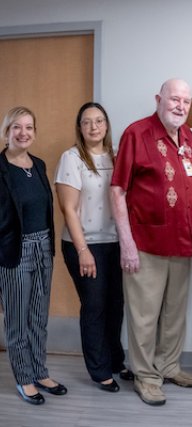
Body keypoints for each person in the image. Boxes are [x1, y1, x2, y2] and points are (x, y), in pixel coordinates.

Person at [110, 79, 192, 406]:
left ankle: (168, 366)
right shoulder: (136, 134)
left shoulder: (190, 139)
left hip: (182, 241)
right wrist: (126, 243)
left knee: (174, 313)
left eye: (185, 101)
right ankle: (146, 376)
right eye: (174, 99)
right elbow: (117, 190)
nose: (180, 106)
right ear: (159, 99)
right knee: (144, 315)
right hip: (145, 242)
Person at [55, 102, 133, 393]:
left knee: (116, 305)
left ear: (106, 125)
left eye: (99, 121)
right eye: (87, 122)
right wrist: (83, 250)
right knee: (95, 306)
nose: (93, 127)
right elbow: (69, 209)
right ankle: (99, 371)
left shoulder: (116, 157)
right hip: (85, 244)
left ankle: (115, 360)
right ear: (80, 127)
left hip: (115, 242)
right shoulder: (71, 158)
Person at [0, 106, 67, 405]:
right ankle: (24, 378)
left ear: (34, 132)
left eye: (28, 127)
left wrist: (48, 247)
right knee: (17, 320)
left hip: (43, 249)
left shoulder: (38, 165)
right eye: (17, 127)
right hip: (14, 251)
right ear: (6, 132)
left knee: (39, 316)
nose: (23, 133)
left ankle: (40, 371)